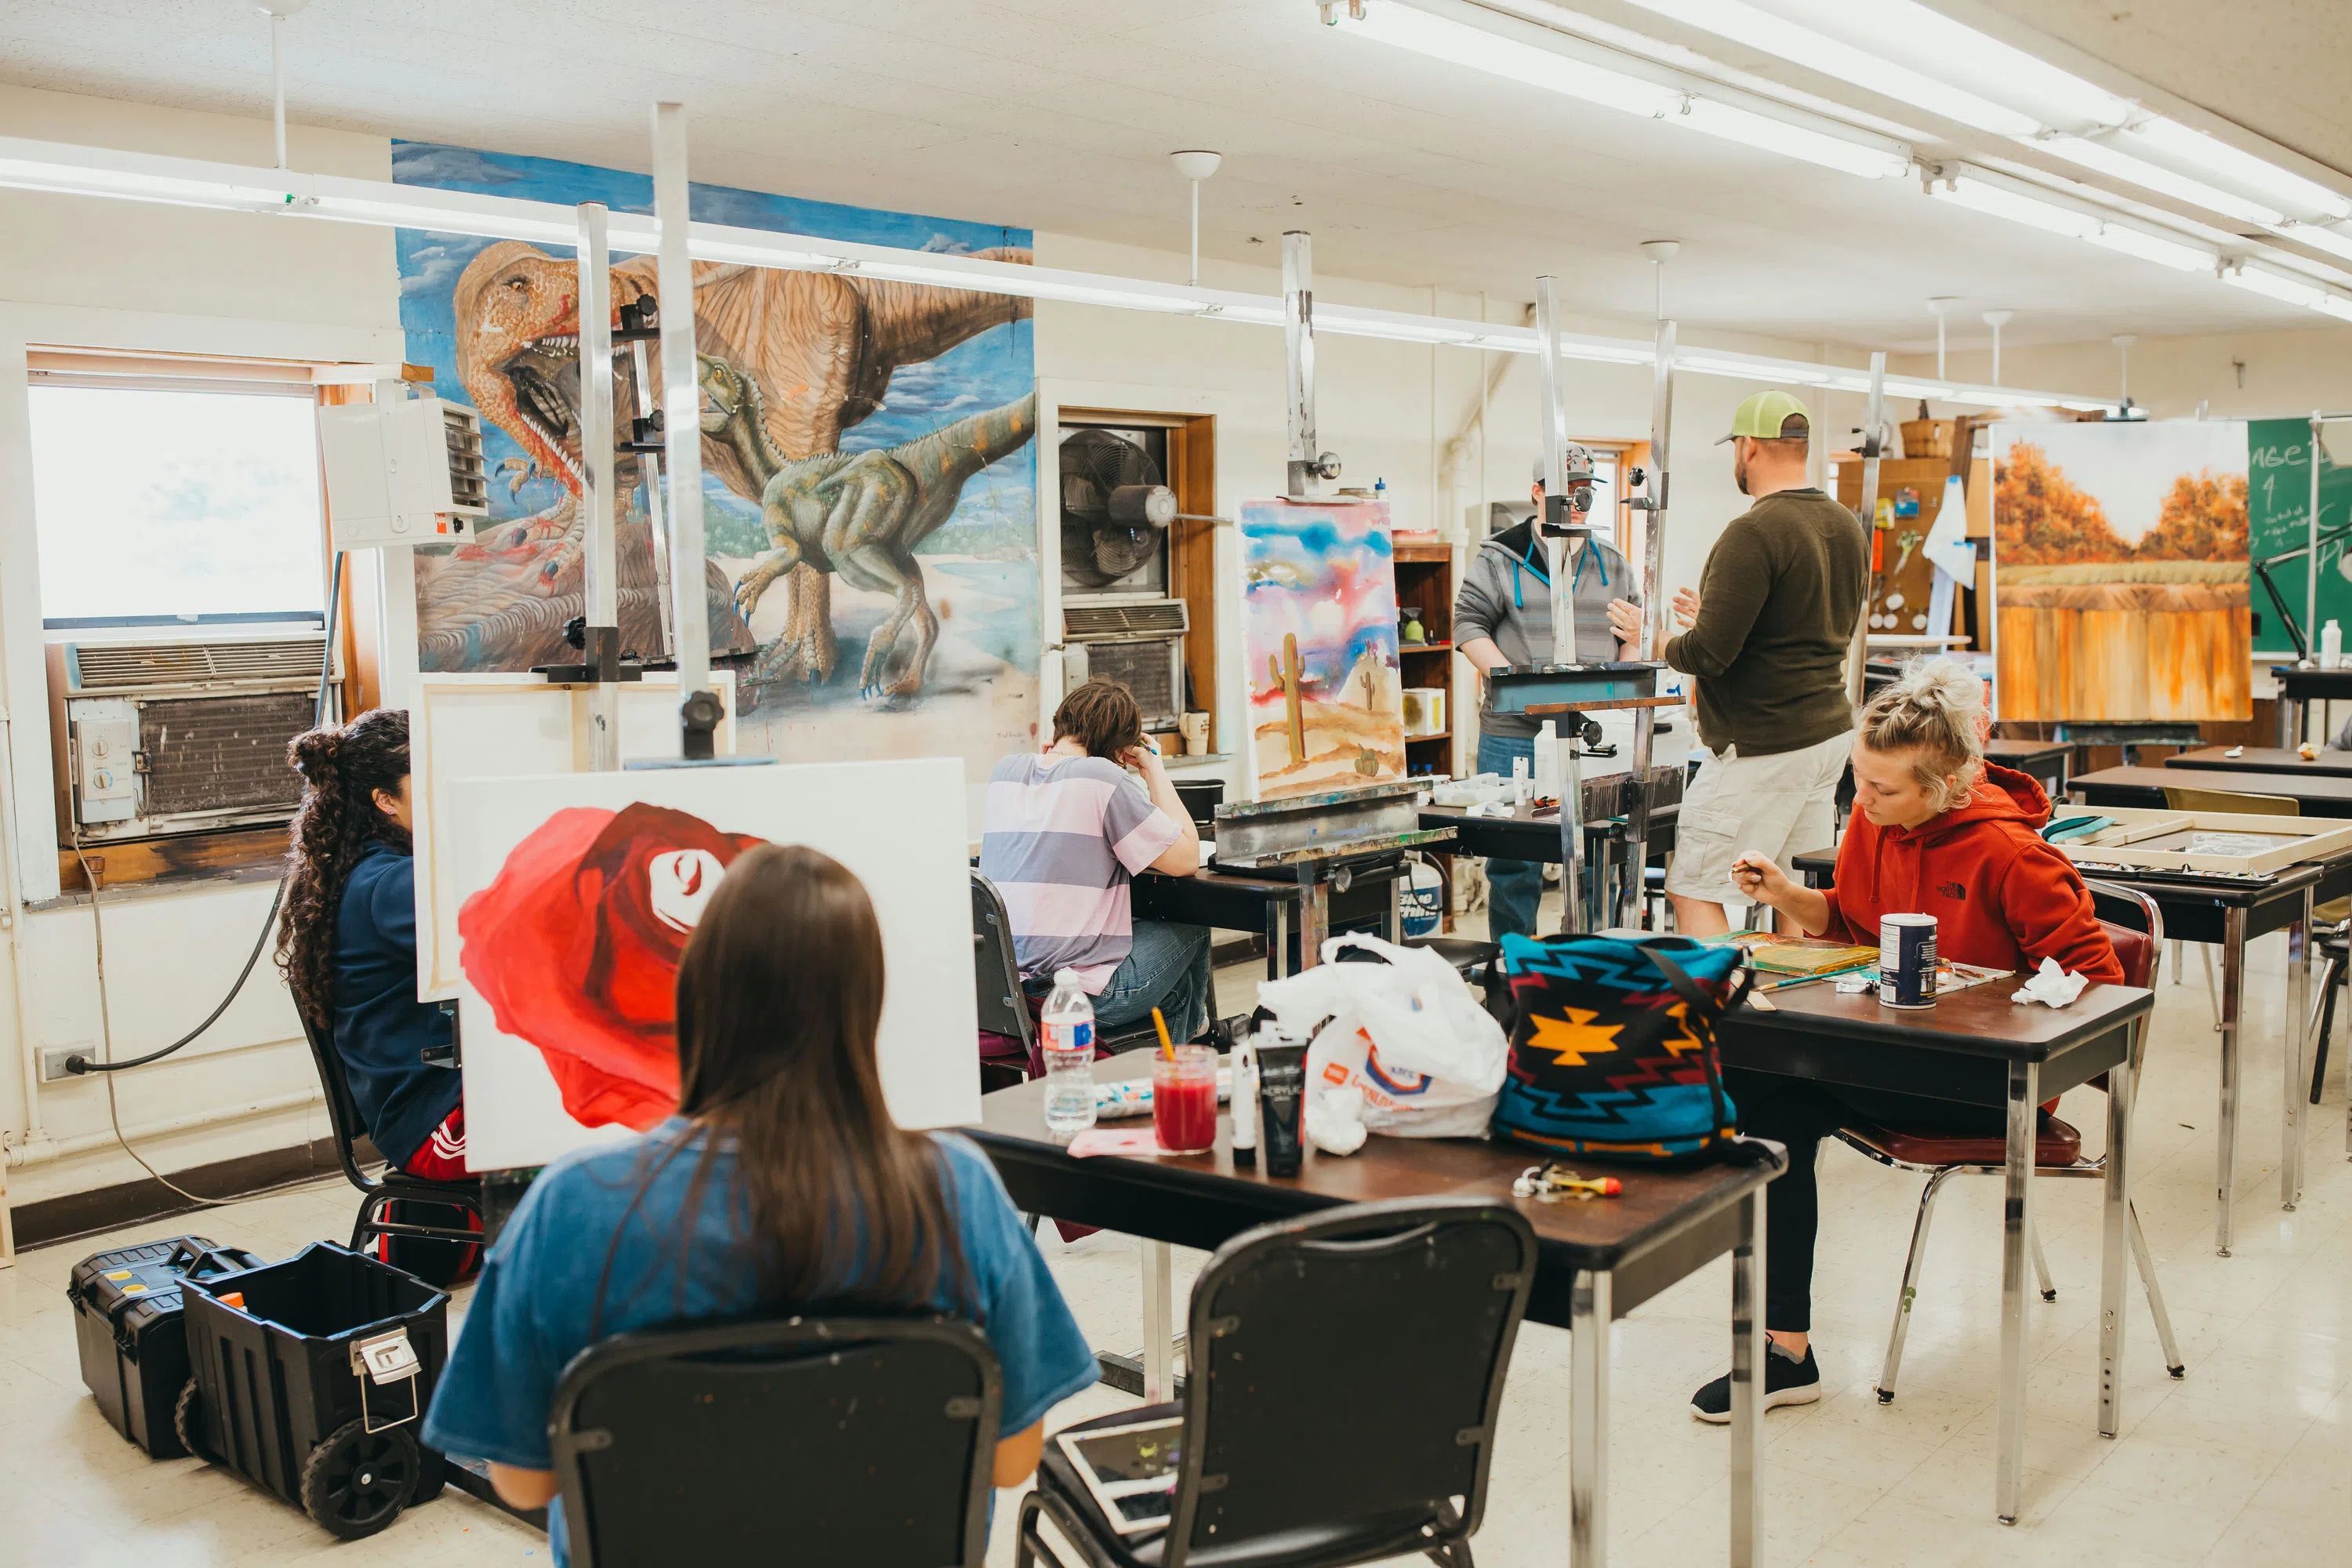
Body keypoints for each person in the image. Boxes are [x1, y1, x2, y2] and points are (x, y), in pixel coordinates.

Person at [421, 844, 1099, 1549]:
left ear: (697, 995)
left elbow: (524, 1481)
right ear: (865, 1003)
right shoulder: (957, 1194)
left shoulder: (574, 1207)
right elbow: (1012, 1457)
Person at [1684, 662, 2123, 1422]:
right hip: (1890, 1053)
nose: (1864, 800)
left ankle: (1779, 1343)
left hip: (1988, 1083)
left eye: (1884, 790)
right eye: (1859, 780)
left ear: (1945, 783)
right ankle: (1786, 1349)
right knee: (1756, 1089)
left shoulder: (2014, 856)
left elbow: (2105, 990)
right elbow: (1855, 922)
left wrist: (1991, 1003)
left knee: (1766, 1090)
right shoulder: (1873, 824)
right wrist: (1788, 896)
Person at [1608, 390, 1865, 937]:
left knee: (1693, 887)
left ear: (1748, 448)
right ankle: (1797, 1013)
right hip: (1825, 735)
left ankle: (1730, 1012)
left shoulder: (1753, 531)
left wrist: (1652, 638)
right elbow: (1813, 626)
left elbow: (1707, 656)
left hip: (1762, 744)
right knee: (1791, 892)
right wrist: (1719, 619)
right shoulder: (1844, 523)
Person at [1454, 447, 1641, 938]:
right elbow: (1468, 624)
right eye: (1566, 491)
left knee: (1597, 855)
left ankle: (1592, 964)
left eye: (1585, 491)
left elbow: (1630, 643)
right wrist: (1512, 681)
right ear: (1537, 492)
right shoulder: (1500, 556)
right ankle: (1513, 977)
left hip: (1590, 732)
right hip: (1513, 731)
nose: (1578, 502)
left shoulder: (1614, 566)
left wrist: (1625, 688)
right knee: (1513, 862)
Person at [277, 708, 464, 1181]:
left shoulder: (370, 868)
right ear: (386, 800)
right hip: (435, 1122)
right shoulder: (394, 885)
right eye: (428, 782)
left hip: (425, 1106)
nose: (450, 793)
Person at [980, 677, 1211, 1043]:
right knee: (1195, 926)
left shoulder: (1005, 772)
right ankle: (1195, 1041)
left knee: (1164, 972)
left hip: (1002, 993)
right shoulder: (1103, 778)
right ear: (1122, 752)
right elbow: (1186, 859)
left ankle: (1181, 1036)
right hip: (1071, 998)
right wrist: (1154, 770)